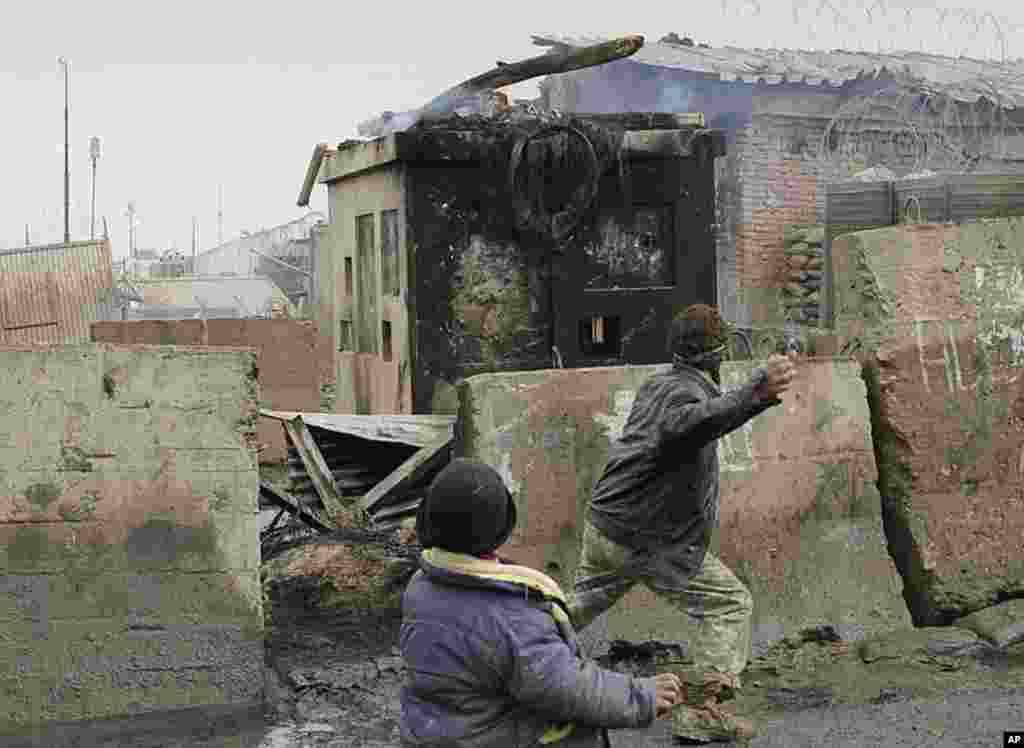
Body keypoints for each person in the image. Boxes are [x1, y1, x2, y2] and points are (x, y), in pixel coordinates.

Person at [568, 304, 797, 744]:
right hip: (646, 541)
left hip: (609, 527)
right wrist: (759, 388)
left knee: (573, 609)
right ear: (716, 354)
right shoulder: (683, 400)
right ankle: (701, 713)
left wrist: (755, 390)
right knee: (731, 604)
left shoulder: (662, 384)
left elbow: (704, 411)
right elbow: (691, 423)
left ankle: (498, 661)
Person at [400, 458, 684, 747]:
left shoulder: (421, 586)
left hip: (429, 730)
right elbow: (565, 687)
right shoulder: (511, 616)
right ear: (502, 527)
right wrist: (641, 695)